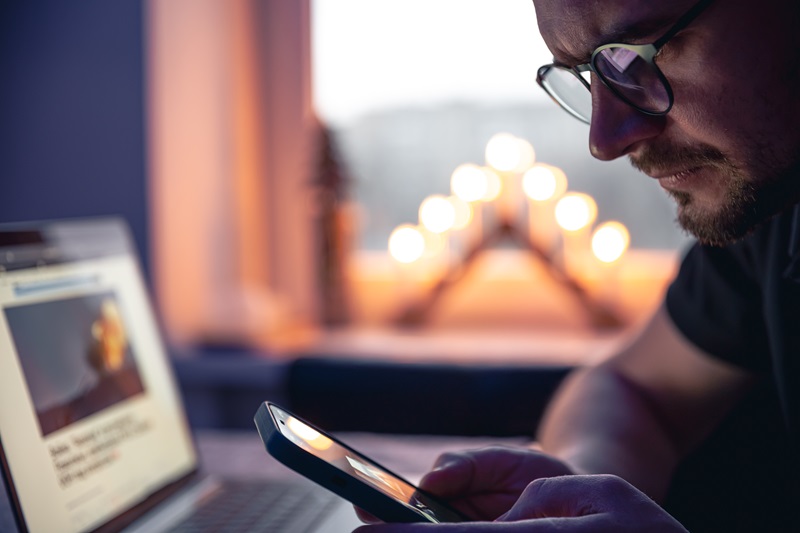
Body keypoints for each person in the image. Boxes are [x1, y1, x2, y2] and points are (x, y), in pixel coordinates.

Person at [355, 0, 800, 530]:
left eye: (640, 55)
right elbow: (631, 389)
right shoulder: (774, 214)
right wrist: (576, 485)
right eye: (593, 73)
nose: (605, 140)